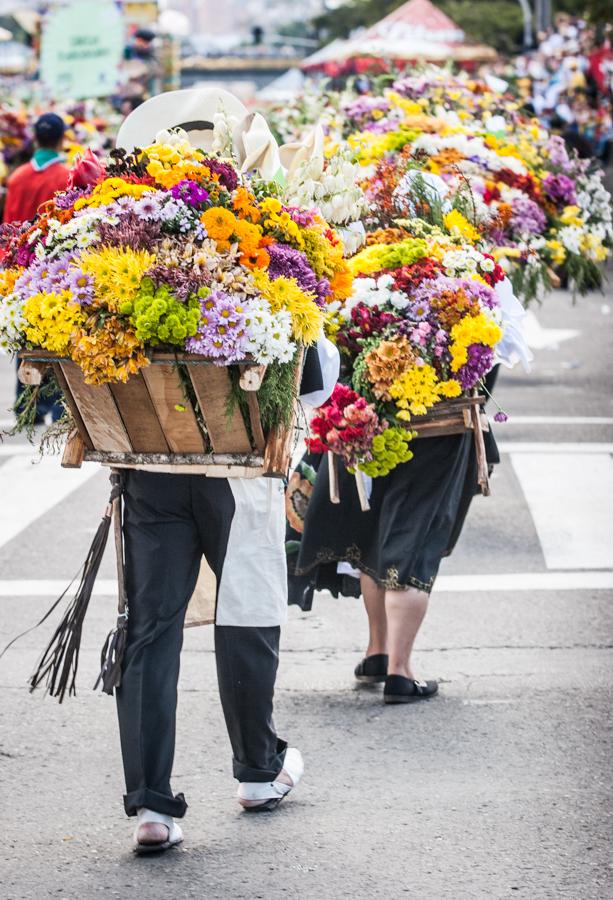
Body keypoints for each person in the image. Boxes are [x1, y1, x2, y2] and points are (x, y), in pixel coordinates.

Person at [110, 90, 339, 854]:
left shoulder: (118, 249)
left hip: (151, 467)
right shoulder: (266, 243)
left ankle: (149, 806)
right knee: (246, 613)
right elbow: (315, 377)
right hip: (240, 473)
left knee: (151, 629)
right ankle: (256, 768)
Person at [4, 113, 69, 423]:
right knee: (55, 334)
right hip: (55, 271)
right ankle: (56, 406)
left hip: (21, 272)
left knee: (25, 334)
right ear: (61, 138)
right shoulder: (64, 177)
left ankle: (27, 405)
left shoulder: (17, 178)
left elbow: (8, 229)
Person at [3, 113, 70, 225]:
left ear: (34, 138)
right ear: (62, 139)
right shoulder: (68, 178)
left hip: (17, 242)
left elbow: (7, 225)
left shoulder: (16, 177)